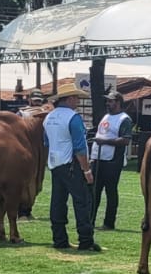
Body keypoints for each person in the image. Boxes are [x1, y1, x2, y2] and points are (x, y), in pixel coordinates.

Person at [44, 87, 100, 252]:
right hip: (72, 164)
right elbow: (80, 148)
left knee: (58, 202)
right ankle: (86, 240)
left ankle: (59, 238)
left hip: (55, 163)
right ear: (68, 99)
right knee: (81, 202)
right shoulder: (73, 118)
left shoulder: (48, 118)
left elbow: (46, 143)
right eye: (76, 98)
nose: (78, 101)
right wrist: (87, 170)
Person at [91, 93, 134, 230]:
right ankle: (90, 220)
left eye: (110, 101)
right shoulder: (106, 116)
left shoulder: (124, 119)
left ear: (118, 102)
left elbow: (125, 140)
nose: (107, 104)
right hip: (98, 158)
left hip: (112, 161)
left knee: (110, 192)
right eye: (107, 101)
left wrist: (104, 142)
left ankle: (109, 223)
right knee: (94, 191)